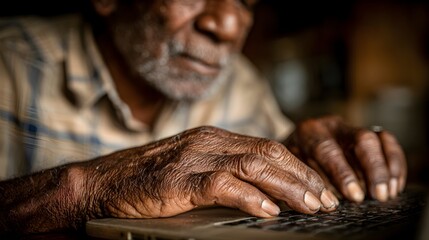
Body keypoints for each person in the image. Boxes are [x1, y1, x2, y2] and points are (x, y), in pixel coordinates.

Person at [0, 0, 407, 234]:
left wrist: (308, 157)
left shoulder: (237, 82)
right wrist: (87, 188)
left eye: (246, 1)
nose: (228, 25)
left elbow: (277, 158)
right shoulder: (9, 64)